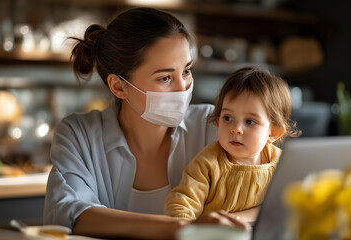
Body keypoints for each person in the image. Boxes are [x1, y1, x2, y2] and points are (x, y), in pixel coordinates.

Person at [43, 7, 248, 239]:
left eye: (187, 71)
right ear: (119, 86)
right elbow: (70, 215)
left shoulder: (214, 126)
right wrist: (182, 228)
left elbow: (264, 194)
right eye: (165, 77)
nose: (183, 88)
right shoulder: (79, 134)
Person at [164, 67, 302, 223]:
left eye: (250, 121)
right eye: (228, 118)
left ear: (273, 133)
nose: (236, 129)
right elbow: (182, 203)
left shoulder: (282, 165)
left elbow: (287, 206)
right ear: (218, 121)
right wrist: (184, 229)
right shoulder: (207, 164)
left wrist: (239, 218)